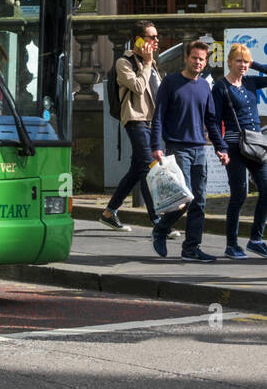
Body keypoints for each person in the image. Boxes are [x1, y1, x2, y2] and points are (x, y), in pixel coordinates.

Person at [150, 40, 230, 262]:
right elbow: (158, 117)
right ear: (186, 58)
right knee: (182, 199)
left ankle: (191, 248)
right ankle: (161, 228)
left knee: (200, 201)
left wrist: (221, 148)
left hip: (199, 150)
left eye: (202, 59)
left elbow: (211, 121)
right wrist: (156, 145)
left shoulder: (205, 86)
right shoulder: (171, 82)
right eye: (194, 57)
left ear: (205, 62)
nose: (197, 62)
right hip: (177, 148)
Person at [100, 21, 161, 230]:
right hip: (136, 120)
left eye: (156, 37)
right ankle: (158, 221)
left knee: (137, 169)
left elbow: (156, 92)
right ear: (139, 39)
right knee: (148, 168)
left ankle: (109, 212)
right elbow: (138, 86)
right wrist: (146, 63)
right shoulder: (123, 63)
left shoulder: (150, 62)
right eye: (152, 37)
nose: (156, 41)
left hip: (151, 122)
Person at [212, 42, 267, 258]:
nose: (242, 65)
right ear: (229, 62)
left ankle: (255, 239)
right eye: (239, 61)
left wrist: (255, 64)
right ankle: (231, 244)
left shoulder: (251, 82)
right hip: (234, 146)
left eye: (245, 61)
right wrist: (220, 148)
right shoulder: (220, 87)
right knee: (239, 194)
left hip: (256, 145)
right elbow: (214, 121)